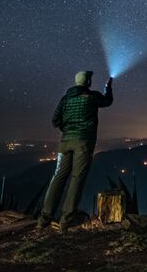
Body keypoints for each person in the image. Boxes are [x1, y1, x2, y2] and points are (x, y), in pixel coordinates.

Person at [37, 71, 113, 231]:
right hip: (83, 142)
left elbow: (54, 120)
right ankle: (67, 218)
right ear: (88, 82)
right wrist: (108, 88)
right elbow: (107, 101)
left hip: (64, 143)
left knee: (58, 177)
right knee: (77, 178)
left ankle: (44, 218)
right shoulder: (92, 96)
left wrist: (67, 129)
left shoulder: (65, 99)